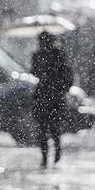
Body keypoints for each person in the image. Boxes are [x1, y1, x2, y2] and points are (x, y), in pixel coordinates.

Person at [31, 32, 73, 167]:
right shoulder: (38, 55)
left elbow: (66, 76)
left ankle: (56, 151)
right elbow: (33, 71)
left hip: (53, 96)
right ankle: (45, 156)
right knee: (43, 129)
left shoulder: (58, 55)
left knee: (53, 128)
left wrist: (58, 86)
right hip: (43, 95)